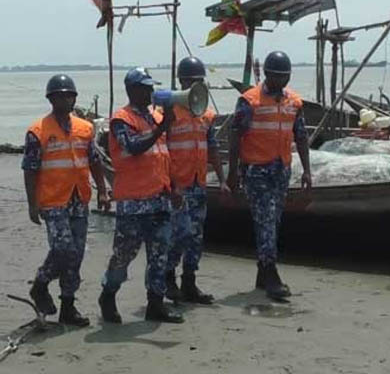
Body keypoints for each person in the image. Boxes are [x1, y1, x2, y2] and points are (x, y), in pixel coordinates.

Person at [98, 67, 183, 324]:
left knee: (160, 255)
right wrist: (161, 128)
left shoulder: (154, 117)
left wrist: (174, 187)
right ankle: (108, 294)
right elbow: (133, 147)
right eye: (145, 88)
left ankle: (155, 304)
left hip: (159, 199)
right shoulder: (120, 120)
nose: (150, 92)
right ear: (132, 90)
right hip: (133, 203)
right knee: (124, 255)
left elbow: (163, 157)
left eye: (151, 87)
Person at [226, 50, 312, 300]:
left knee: (273, 222)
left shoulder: (294, 102)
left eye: (286, 77)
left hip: (281, 169)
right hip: (256, 170)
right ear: (267, 74)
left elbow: (301, 136)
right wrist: (232, 172)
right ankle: (271, 274)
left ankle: (263, 273)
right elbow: (235, 135)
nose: (282, 81)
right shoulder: (249, 101)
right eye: (277, 76)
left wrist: (306, 170)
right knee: (264, 220)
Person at [23, 74, 108, 327]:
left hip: (79, 198)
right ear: (51, 99)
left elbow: (94, 161)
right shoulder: (37, 131)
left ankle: (68, 306)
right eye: (60, 95)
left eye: (70, 95)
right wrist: (32, 204)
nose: (66, 99)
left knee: (76, 255)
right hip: (52, 200)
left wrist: (103, 191)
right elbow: (30, 169)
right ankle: (40, 284)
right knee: (63, 249)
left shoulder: (85, 128)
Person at [164, 56, 225, 305]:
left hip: (198, 184)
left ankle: (189, 282)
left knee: (196, 237)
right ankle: (168, 276)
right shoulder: (168, 113)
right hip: (177, 185)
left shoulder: (205, 116)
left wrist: (221, 180)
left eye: (199, 81)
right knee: (180, 233)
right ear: (181, 82)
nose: (195, 85)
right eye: (191, 81)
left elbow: (212, 148)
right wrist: (170, 185)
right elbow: (161, 152)